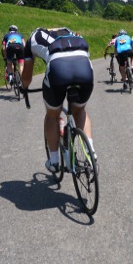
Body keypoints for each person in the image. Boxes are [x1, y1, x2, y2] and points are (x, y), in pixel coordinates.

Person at [21, 27, 95, 173]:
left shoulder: (33, 37)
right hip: (84, 65)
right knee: (79, 110)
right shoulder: (73, 34)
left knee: (52, 115)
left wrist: (24, 88)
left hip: (58, 68)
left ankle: (54, 161)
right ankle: (90, 151)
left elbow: (27, 76)